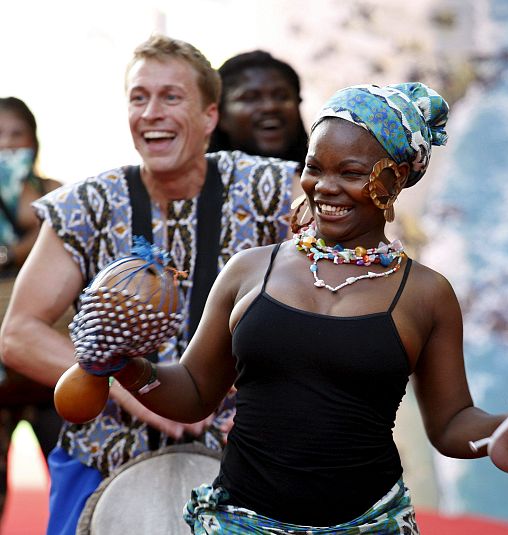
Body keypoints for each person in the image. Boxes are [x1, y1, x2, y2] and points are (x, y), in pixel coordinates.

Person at [97, 82, 508, 533]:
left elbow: (451, 423)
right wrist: (127, 366)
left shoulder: (426, 294)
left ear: (396, 178)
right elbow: (196, 390)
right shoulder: (249, 270)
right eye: (314, 167)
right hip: (242, 521)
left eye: (350, 172)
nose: (324, 187)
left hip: (369, 524)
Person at [0, 35, 297, 535]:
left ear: (209, 116)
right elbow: (18, 334)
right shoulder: (87, 205)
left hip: (243, 450)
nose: (151, 112)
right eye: (139, 98)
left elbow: (335, 285)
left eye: (171, 97)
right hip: (107, 455)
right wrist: (125, 389)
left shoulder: (270, 189)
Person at [0, 96, 62, 519]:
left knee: (66, 473)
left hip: (46, 369)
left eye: (15, 135)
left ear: (34, 141)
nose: (6, 147)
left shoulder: (57, 196)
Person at [208, 49, 308, 163]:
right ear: (220, 115)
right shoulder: (195, 179)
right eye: (250, 98)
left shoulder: (326, 176)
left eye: (281, 96)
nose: (270, 107)